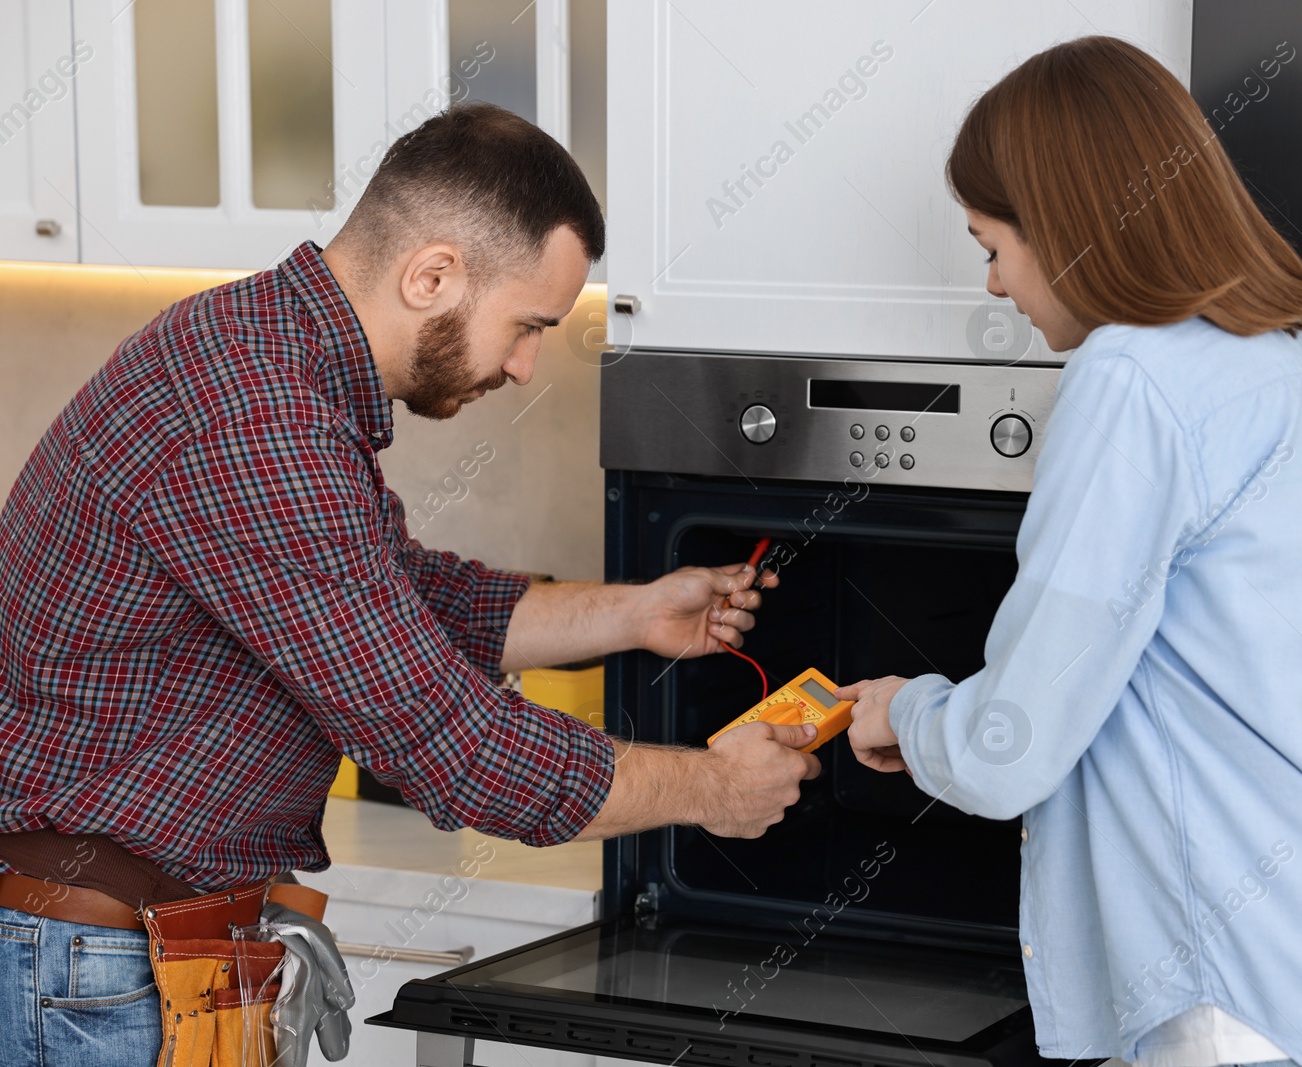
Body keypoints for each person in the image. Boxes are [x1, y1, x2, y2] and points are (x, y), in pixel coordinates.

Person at [0, 103, 819, 1064]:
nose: (524, 365)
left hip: (127, 952)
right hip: (99, 971)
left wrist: (634, 613)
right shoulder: (256, 419)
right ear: (432, 274)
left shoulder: (268, 355)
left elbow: (403, 592)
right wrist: (714, 788)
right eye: (526, 326)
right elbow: (451, 745)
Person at [840, 37, 1302, 1067]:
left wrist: (905, 712)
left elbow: (1012, 747)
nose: (995, 283)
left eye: (992, 243)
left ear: (1064, 227)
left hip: (1267, 1009)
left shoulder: (1131, 379)